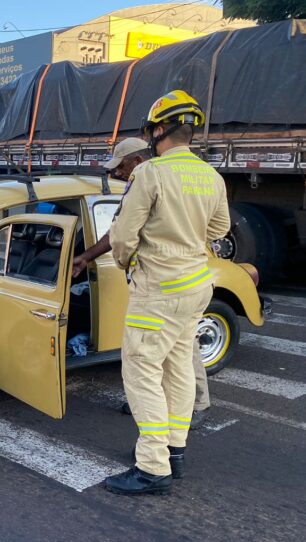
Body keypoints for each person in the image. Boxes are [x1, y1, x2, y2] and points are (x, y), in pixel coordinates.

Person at [103, 91, 230, 496]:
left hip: (157, 291)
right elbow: (219, 230)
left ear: (158, 130)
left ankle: (152, 467)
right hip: (196, 286)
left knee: (141, 374)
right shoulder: (212, 175)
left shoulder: (151, 174)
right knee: (177, 371)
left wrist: (131, 263)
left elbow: (122, 236)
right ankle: (175, 450)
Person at [72, 137, 211, 429]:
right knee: (160, 351)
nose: (117, 174)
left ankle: (196, 406)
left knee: (181, 350)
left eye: (121, 167)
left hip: (169, 282)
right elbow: (118, 231)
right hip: (166, 280)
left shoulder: (153, 180)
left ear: (137, 161)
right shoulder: (146, 183)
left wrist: (123, 260)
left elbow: (122, 239)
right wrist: (86, 257)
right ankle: (157, 404)